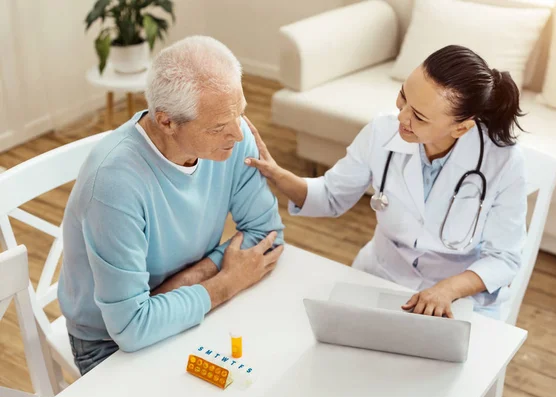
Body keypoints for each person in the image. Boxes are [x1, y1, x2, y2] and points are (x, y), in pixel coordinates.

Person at [245, 45, 527, 319]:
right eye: (403, 97)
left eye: (418, 116)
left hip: (460, 299)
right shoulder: (382, 131)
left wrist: (448, 290)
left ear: (461, 127)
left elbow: (505, 258)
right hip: (380, 276)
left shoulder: (502, 162)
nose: (402, 117)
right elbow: (331, 196)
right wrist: (277, 174)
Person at [58, 36, 285, 375]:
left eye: (240, 112)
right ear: (166, 121)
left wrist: (182, 286)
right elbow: (131, 329)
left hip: (185, 308)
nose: (238, 135)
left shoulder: (233, 138)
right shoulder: (113, 183)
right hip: (109, 344)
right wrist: (225, 282)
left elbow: (267, 236)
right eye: (219, 126)